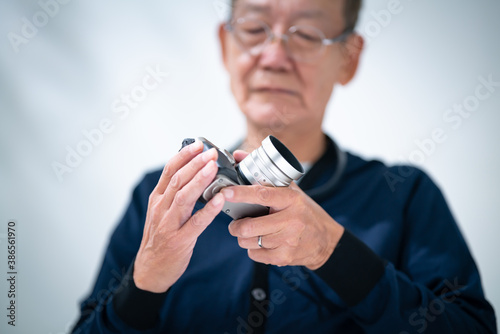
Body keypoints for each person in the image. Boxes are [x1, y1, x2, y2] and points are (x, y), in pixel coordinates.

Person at [72, 0, 497, 333]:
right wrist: (143, 285)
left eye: (307, 33)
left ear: (349, 56)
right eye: (255, 29)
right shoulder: (165, 196)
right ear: (226, 44)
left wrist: (333, 250)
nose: (274, 56)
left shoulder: (405, 195)